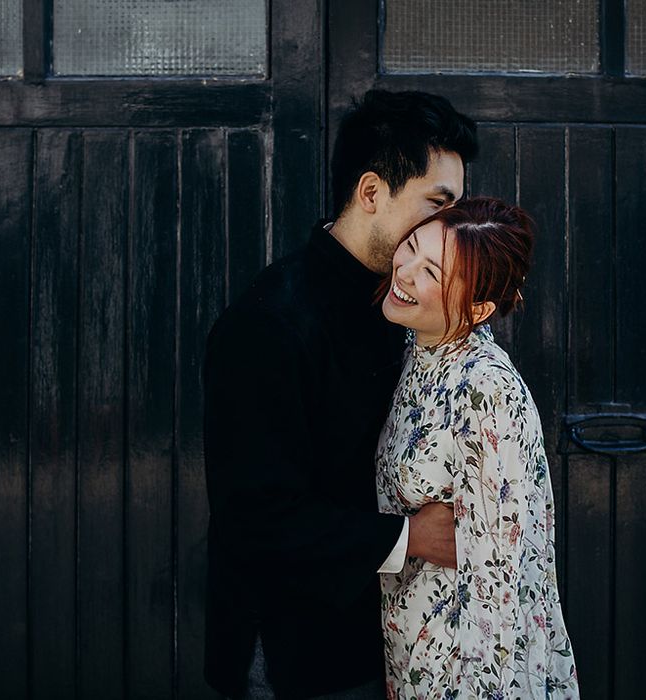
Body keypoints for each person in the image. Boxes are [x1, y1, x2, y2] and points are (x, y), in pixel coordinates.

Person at [203, 90, 478, 699]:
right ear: (373, 192)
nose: (450, 227)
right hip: (286, 656)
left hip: (379, 643)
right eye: (438, 204)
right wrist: (413, 538)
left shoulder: (407, 306)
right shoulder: (268, 323)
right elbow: (255, 518)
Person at [376, 197, 579, 698]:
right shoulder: (417, 348)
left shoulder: (487, 390)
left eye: (432, 273)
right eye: (411, 247)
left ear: (477, 308)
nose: (404, 271)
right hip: (410, 656)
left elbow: (500, 585)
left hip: (464, 675)